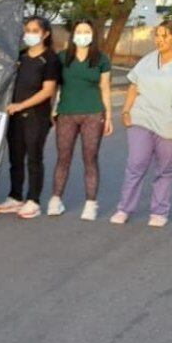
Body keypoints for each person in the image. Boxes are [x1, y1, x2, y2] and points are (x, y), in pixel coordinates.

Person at [110, 21, 172, 227]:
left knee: (165, 170)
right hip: (142, 118)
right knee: (136, 164)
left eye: (165, 36)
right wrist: (126, 110)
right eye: (157, 35)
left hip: (170, 124)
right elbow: (134, 85)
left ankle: (159, 211)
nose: (159, 40)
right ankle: (124, 208)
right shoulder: (149, 60)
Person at [0, 16, 61, 219]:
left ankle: (33, 200)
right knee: (15, 158)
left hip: (36, 117)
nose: (30, 34)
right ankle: (15, 197)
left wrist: (21, 105)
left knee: (33, 158)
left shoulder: (50, 59)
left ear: (45, 34)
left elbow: (48, 91)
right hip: (14, 116)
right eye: (27, 30)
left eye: (34, 30)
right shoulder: (20, 56)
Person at [48, 20, 113, 220]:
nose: (82, 35)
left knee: (90, 158)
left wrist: (109, 116)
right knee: (63, 157)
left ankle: (91, 203)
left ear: (93, 35)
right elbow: (54, 86)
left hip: (93, 113)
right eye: (79, 31)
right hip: (67, 112)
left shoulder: (101, 59)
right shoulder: (62, 58)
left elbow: (105, 88)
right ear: (73, 34)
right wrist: (52, 109)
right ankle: (56, 200)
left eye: (86, 32)